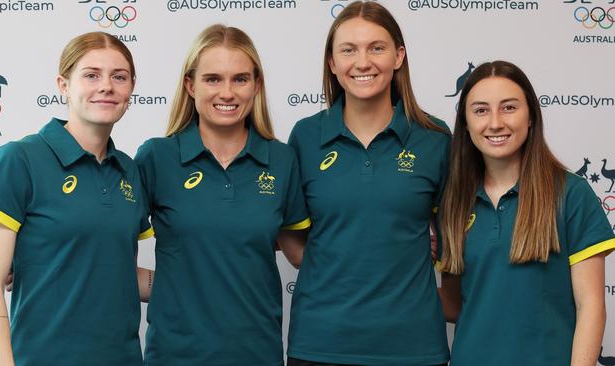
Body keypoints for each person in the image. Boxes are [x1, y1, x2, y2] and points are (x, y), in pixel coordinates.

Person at [0, 32, 152, 366]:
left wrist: (209, 279)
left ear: (131, 88)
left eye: (119, 77)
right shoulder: (19, 160)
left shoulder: (129, 170)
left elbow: (118, 273)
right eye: (91, 75)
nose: (106, 86)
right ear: (64, 84)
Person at [135, 24, 310, 366]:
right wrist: (30, 259)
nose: (227, 93)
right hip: (174, 355)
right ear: (190, 85)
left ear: (256, 85)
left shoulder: (282, 160)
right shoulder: (157, 157)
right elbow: (100, 236)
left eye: (240, 79)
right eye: (213, 79)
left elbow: (302, 254)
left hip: (258, 355)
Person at [286, 1, 450, 365]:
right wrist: (332, 267)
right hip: (320, 343)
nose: (363, 62)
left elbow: (456, 231)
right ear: (332, 62)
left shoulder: (434, 138)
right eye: (349, 50)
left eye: (377, 47)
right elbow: (289, 232)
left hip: (414, 346)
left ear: (398, 56)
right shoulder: (306, 136)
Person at [438, 60, 615, 366]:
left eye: (509, 107)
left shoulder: (571, 194)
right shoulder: (454, 202)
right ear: (465, 124)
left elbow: (591, 306)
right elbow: (454, 305)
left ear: (531, 116)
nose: (495, 122)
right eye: (480, 110)